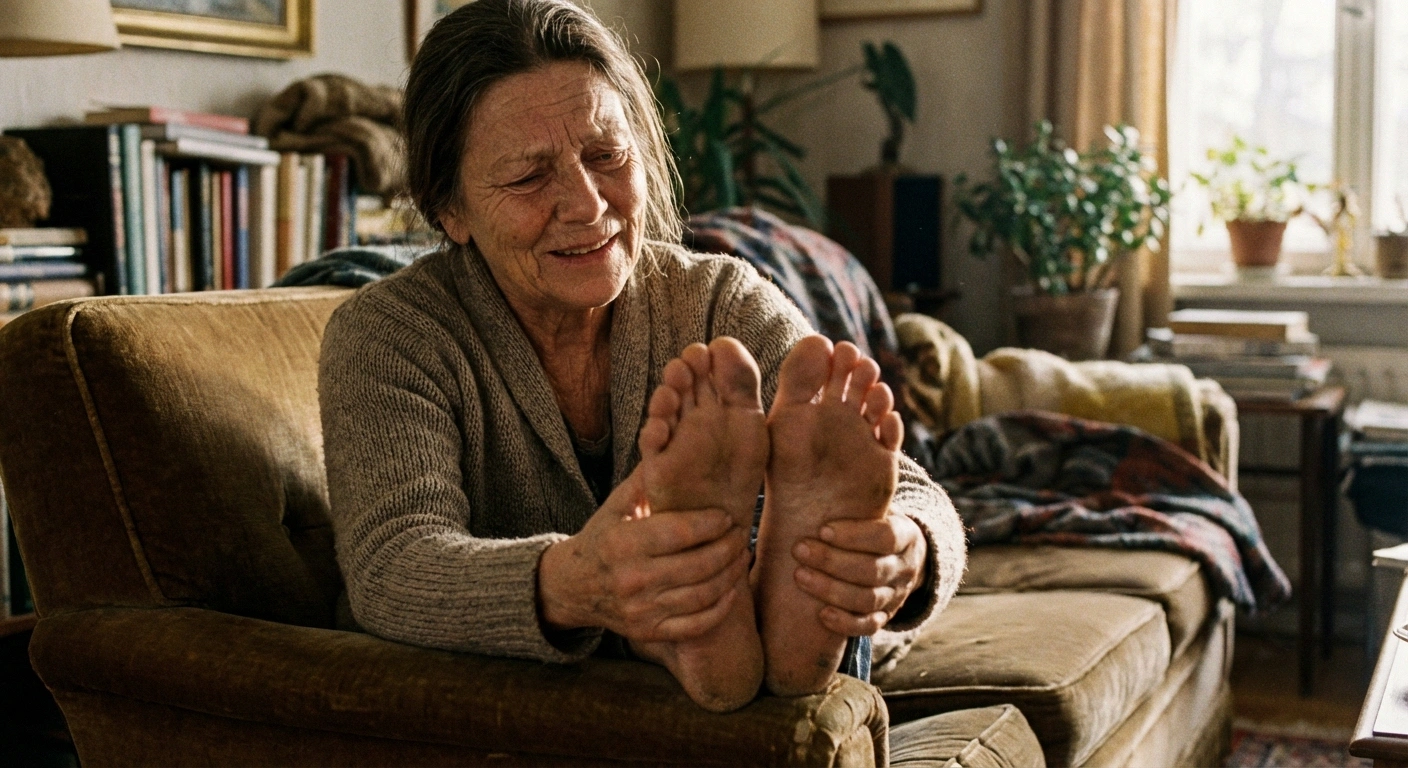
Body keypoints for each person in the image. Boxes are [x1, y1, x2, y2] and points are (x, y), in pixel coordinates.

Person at [318, 0, 965, 713]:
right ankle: (688, 626)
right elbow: (392, 563)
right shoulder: (388, 334)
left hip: (769, 615)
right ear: (450, 211)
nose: (587, 204)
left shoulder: (719, 298)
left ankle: (781, 623)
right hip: (531, 690)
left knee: (809, 553)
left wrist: (905, 550)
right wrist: (577, 582)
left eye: (605, 155)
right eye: (530, 178)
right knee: (703, 577)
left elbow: (909, 488)